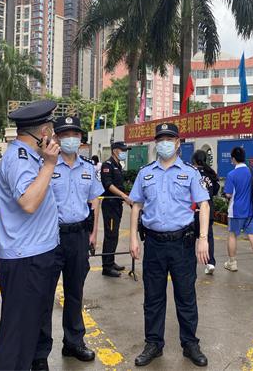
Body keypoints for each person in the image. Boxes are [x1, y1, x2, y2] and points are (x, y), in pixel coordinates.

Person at [129, 123, 210, 367]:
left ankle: (190, 344)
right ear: (156, 143)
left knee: (186, 295)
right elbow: (136, 205)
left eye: (169, 139)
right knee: (153, 297)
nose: (164, 143)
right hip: (154, 243)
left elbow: (204, 204)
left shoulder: (190, 173)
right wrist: (133, 237)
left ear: (177, 143)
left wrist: (203, 239)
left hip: (182, 244)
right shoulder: (145, 173)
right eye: (161, 139)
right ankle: (153, 343)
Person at [0, 100, 60, 371]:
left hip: (38, 254)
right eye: (52, 131)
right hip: (25, 259)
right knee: (18, 335)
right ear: (44, 133)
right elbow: (29, 202)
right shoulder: (20, 159)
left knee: (33, 326)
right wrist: (50, 165)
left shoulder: (32, 157)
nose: (54, 137)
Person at [35, 116, 104, 363]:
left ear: (81, 138)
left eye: (74, 134)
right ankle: (40, 353)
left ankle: (73, 343)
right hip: (50, 237)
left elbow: (94, 202)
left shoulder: (88, 168)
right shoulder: (46, 165)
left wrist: (93, 233)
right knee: (44, 295)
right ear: (56, 138)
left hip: (79, 237)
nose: (70, 139)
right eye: (65, 135)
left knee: (75, 292)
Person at [223, 146, 253, 280]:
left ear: (233, 159)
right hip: (252, 210)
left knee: (232, 235)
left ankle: (232, 262)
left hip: (236, 211)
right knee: (252, 236)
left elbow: (229, 194)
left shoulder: (231, 174)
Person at [100, 142, 132, 277]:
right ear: (114, 151)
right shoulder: (107, 165)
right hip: (110, 205)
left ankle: (111, 261)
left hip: (117, 204)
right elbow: (108, 185)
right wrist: (123, 195)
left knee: (115, 235)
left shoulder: (118, 165)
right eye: (122, 150)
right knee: (110, 235)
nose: (125, 152)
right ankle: (106, 267)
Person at [191, 149, 220, 275]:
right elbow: (215, 190)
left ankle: (190, 262)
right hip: (207, 210)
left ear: (194, 160)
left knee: (190, 238)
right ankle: (210, 262)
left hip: (193, 210)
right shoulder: (211, 173)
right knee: (208, 237)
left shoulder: (192, 172)